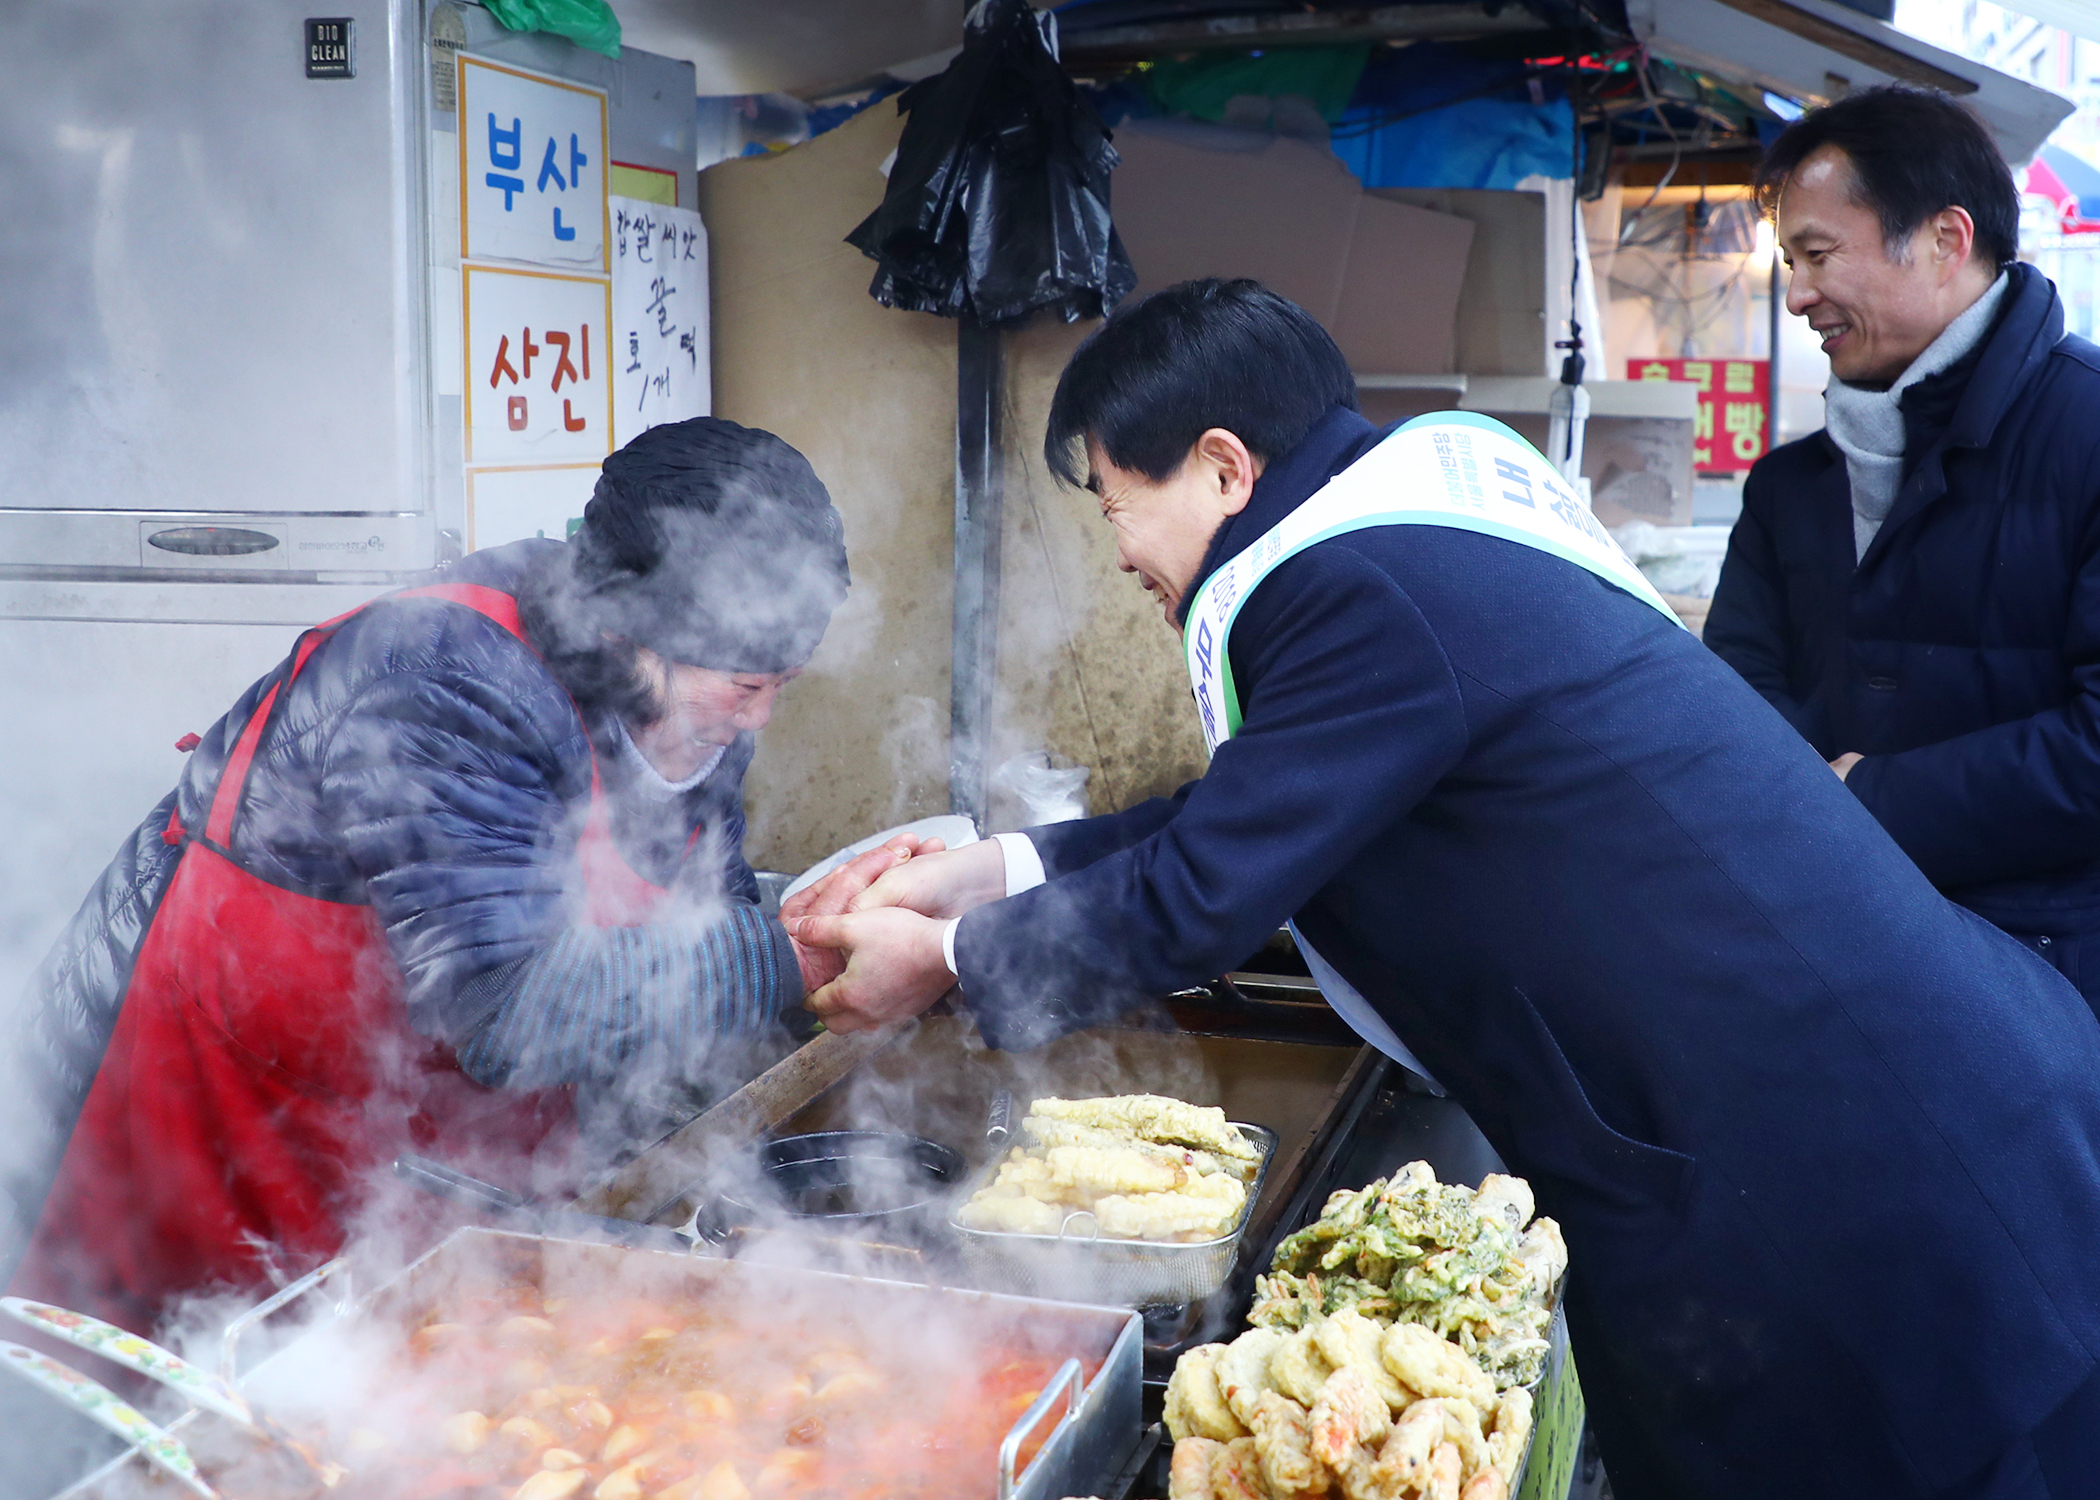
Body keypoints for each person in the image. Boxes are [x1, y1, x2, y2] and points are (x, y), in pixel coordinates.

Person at [790, 279, 2100, 1498]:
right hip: (1878, 1129)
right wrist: (992, 870)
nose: (1119, 552)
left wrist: (946, 964)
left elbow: (1204, 894)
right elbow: (1263, 812)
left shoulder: (1354, 584)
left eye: (1113, 502)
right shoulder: (1414, 534)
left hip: (1875, 1190)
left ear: (1224, 466)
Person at [0, 416, 921, 1333]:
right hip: (221, 1114)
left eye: (780, 687)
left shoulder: (694, 706)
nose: (757, 720)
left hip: (431, 1148)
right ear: (626, 629)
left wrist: (847, 930)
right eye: (746, 687)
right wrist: (793, 956)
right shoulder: (440, 672)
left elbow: (695, 932)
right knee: (210, 1426)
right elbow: (506, 1013)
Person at [1704, 86, 2100, 1012]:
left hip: (2050, 977)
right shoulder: (1791, 485)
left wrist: (1871, 797)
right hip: (1833, 951)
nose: (1798, 295)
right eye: (1790, 261)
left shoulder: (2086, 434)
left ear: (1945, 240)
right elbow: (1732, 698)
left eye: (1818, 255)